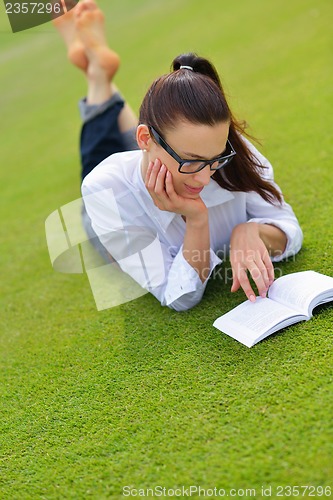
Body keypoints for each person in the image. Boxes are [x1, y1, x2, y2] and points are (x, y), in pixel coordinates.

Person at [54, 0, 303, 312]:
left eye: (214, 160)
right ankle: (98, 76)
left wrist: (251, 230)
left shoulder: (226, 152)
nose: (205, 177)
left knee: (163, 142)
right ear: (145, 139)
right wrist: (198, 220)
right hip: (115, 205)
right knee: (97, 152)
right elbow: (179, 296)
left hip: (157, 149)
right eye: (193, 161)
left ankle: (99, 72)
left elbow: (287, 225)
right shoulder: (106, 190)